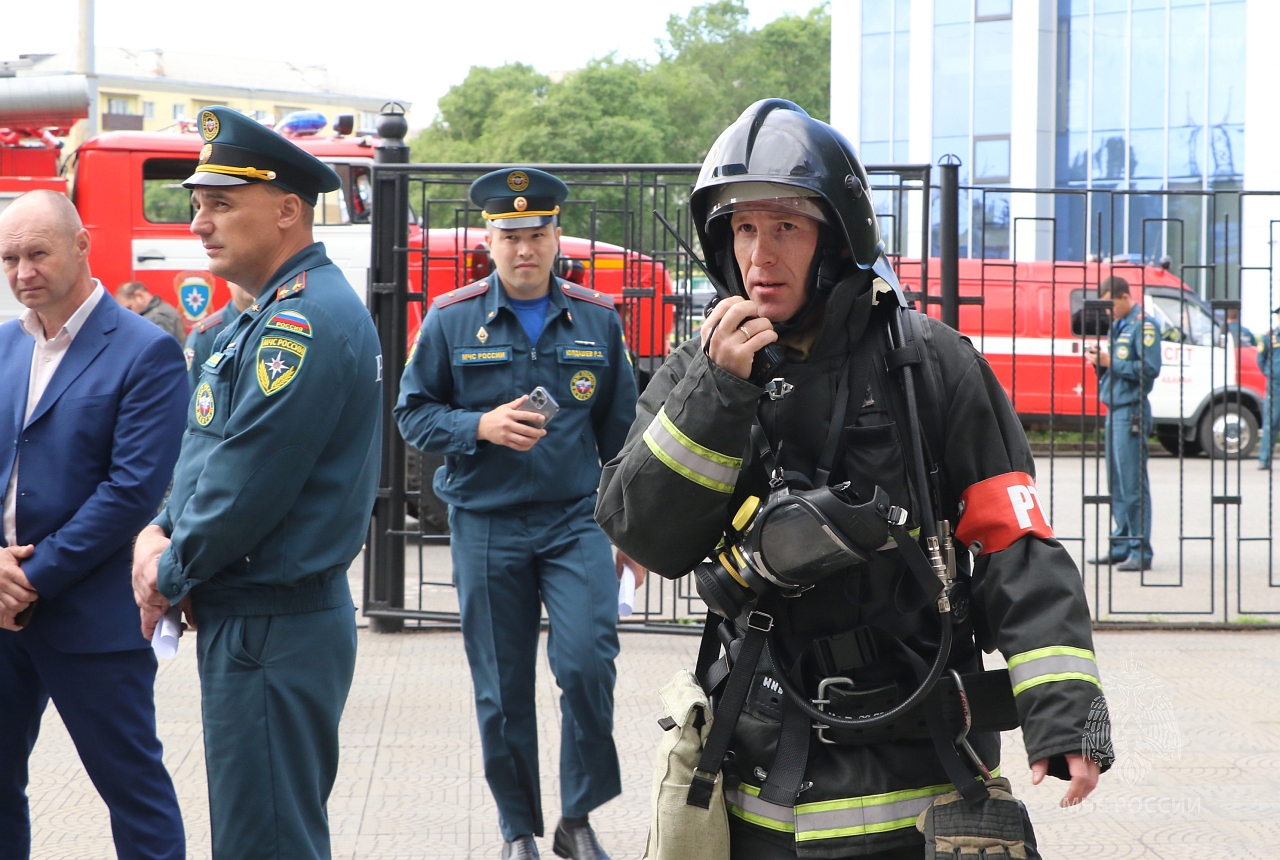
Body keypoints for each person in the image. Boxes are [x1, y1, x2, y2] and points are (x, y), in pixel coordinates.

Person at [597, 100, 1110, 859]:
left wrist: (1065, 713)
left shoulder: (931, 365)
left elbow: (1015, 545)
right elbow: (642, 531)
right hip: (757, 778)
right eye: (743, 229)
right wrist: (718, 392)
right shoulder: (698, 371)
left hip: (923, 777)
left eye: (786, 228)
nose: (759, 257)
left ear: (837, 238)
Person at [129, 106, 382, 860]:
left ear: (286, 210)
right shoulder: (257, 319)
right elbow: (209, 452)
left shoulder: (300, 323)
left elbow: (249, 480)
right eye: (197, 204)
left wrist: (164, 571)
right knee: (260, 830)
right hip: (257, 618)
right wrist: (160, 526)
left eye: (221, 203)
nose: (200, 223)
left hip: (274, 623)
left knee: (265, 840)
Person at [395, 167, 642, 860]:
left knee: (589, 663)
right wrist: (479, 427)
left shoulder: (597, 318)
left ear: (557, 236)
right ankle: (517, 831)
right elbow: (412, 413)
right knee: (502, 689)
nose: (524, 249)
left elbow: (622, 437)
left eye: (537, 234)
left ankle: (579, 816)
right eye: (511, 236)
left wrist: (634, 532)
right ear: (488, 241)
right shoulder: (451, 319)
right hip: (486, 522)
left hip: (574, 522)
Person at [0, 190, 188, 860]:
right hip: (1, 613)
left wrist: (29, 577)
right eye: (10, 258)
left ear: (82, 244)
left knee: (132, 792)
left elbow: (131, 491)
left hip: (92, 618)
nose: (23, 272)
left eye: (37, 253)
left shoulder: (146, 351)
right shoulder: (3, 346)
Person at [1085, 276, 1161, 571]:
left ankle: (1141, 550)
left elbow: (1150, 369)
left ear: (1123, 296)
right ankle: (1121, 543)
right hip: (1114, 409)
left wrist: (1109, 362)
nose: (1107, 312)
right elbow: (1114, 366)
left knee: (1132, 484)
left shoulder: (1144, 324)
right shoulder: (1119, 325)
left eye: (1109, 305)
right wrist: (1099, 363)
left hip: (1131, 412)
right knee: (1116, 484)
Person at [183, 282, 254, 390]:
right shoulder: (205, 334)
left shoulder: (277, 323)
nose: (251, 277)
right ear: (228, 281)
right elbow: (192, 391)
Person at [115, 280, 188, 343]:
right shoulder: (162, 309)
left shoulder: (156, 318)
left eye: (129, 308)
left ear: (140, 296)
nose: (128, 315)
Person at [1257, 306, 1280, 469]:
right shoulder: (1270, 337)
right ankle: (1264, 459)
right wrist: (1269, 372)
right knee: (1271, 421)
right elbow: (1261, 358)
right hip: (1276, 384)